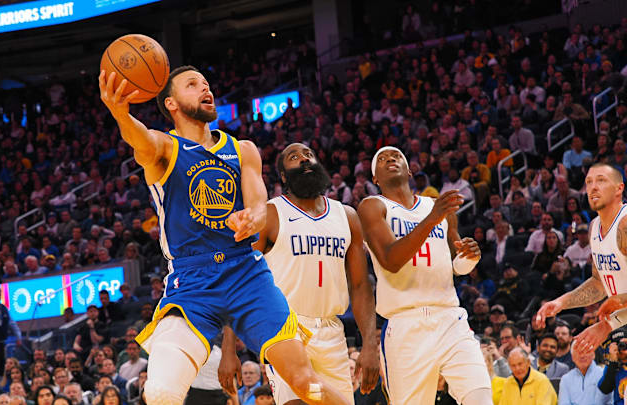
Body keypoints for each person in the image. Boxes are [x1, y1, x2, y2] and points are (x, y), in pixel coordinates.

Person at [99, 66, 350, 405]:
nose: (206, 88)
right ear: (171, 103)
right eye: (192, 85)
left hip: (247, 273)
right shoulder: (164, 148)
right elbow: (140, 138)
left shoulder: (242, 148)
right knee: (160, 393)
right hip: (192, 281)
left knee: (307, 383)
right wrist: (119, 113)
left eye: (206, 83)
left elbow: (259, 199)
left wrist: (255, 217)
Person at [220, 143, 379, 404]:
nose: (304, 159)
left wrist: (370, 345)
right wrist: (229, 350)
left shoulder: (347, 216)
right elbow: (240, 281)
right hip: (285, 330)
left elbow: (361, 286)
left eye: (309, 155)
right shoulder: (270, 214)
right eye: (294, 157)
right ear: (283, 176)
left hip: (332, 331)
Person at [357, 146, 492, 405]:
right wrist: (432, 219)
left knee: (480, 394)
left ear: (409, 170)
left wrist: (470, 255)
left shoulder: (437, 207)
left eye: (396, 157)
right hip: (405, 323)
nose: (390, 160)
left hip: (449, 316)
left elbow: (457, 264)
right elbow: (391, 260)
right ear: (375, 178)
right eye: (382, 160)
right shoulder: (373, 206)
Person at [537, 164, 627, 355]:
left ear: (619, 188)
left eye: (601, 180)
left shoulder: (625, 225)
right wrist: (562, 302)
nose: (593, 187)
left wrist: (607, 325)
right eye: (588, 182)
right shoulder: (594, 227)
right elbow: (598, 283)